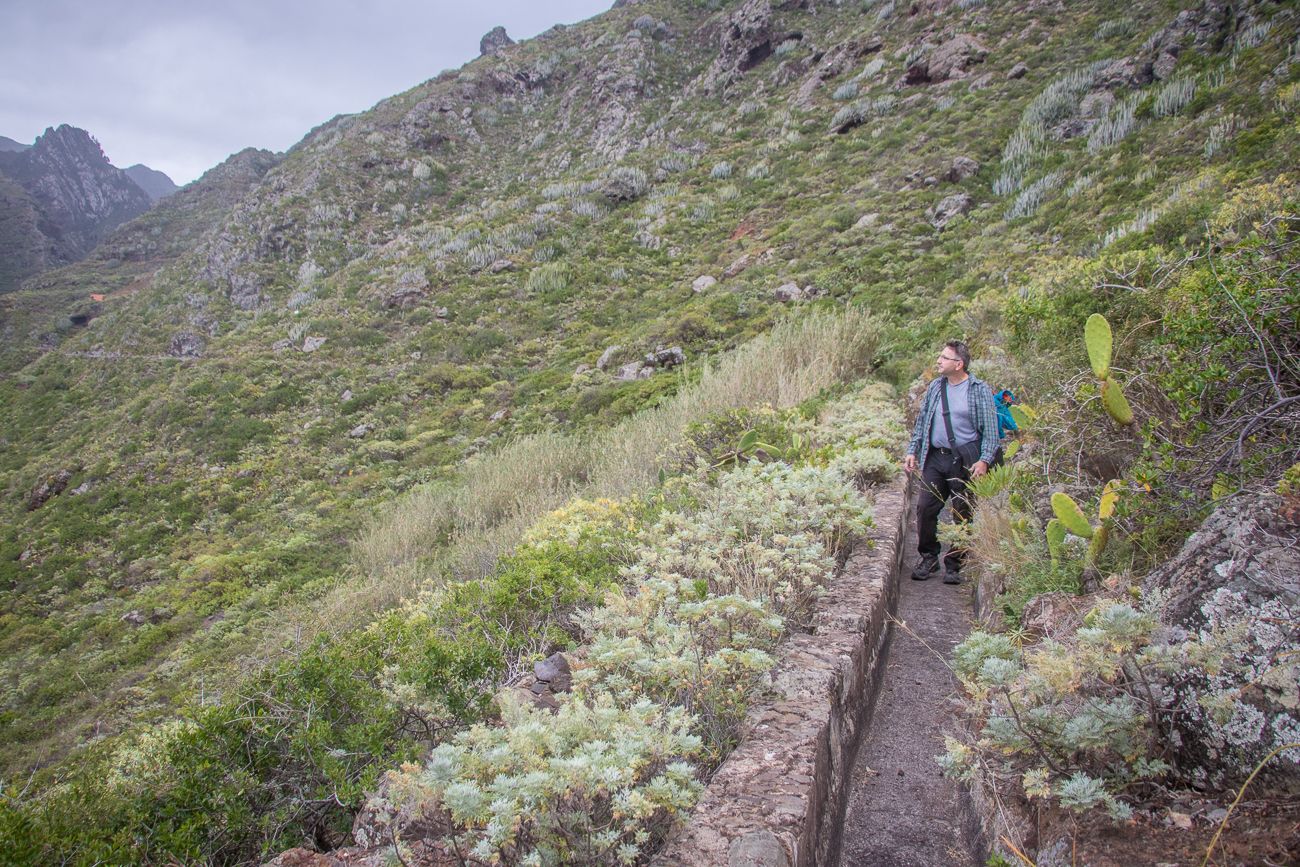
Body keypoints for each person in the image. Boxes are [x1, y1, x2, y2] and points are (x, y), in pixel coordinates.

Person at [903, 340, 1000, 584]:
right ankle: (929, 557)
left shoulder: (979, 390)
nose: (939, 361)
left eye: (945, 358)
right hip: (936, 457)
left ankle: (955, 564)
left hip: (964, 460)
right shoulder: (936, 386)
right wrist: (913, 449)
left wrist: (984, 460)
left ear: (959, 364)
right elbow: (923, 421)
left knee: (962, 512)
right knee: (925, 508)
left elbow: (991, 431)